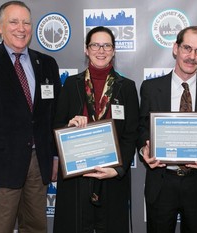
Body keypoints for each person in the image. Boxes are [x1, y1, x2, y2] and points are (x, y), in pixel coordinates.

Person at [0, 1, 61, 232]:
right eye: (13, 22)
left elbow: (52, 116)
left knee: (36, 227)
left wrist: (55, 156)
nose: (21, 28)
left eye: (26, 22)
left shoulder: (47, 64)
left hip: (39, 165)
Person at [137, 26, 197, 233]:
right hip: (162, 182)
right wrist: (144, 150)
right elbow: (142, 128)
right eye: (187, 48)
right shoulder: (150, 88)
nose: (192, 56)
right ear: (175, 48)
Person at [53, 26, 139, 233]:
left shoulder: (126, 87)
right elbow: (56, 125)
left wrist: (117, 170)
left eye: (106, 45)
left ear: (114, 50)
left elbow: (131, 133)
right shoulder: (71, 84)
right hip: (76, 178)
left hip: (111, 177)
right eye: (95, 45)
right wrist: (69, 126)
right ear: (86, 49)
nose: (101, 50)